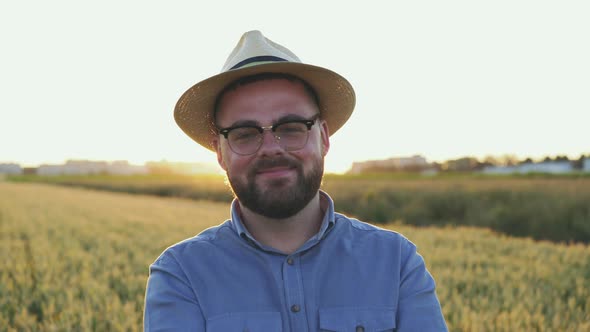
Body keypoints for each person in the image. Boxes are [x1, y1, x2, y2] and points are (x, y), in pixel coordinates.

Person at [144, 30, 447, 331]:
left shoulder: (396, 263)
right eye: (245, 134)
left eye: (291, 127)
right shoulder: (181, 274)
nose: (272, 148)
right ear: (220, 153)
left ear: (324, 137)